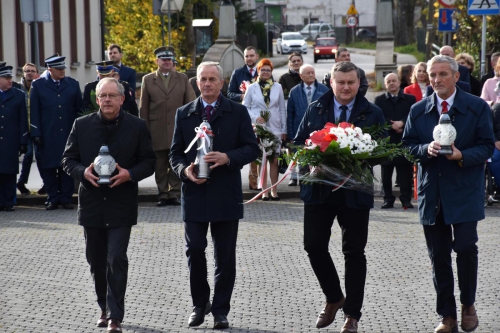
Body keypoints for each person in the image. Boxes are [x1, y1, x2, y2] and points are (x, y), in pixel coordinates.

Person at [402, 55, 494, 333]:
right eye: (432, 75)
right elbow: (407, 146)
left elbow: (487, 147)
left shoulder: (477, 107)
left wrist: (461, 155)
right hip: (434, 194)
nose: (437, 80)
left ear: (456, 77)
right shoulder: (418, 110)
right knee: (438, 256)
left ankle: (468, 305)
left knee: (465, 248)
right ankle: (447, 316)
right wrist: (423, 150)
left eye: (443, 74)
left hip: (466, 190)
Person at [294, 61, 386, 333]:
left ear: (359, 83)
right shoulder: (316, 108)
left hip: (355, 193)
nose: (346, 87)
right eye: (341, 82)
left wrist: (362, 151)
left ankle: (352, 315)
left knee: (354, 253)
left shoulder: (373, 112)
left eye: (351, 82)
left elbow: (385, 150)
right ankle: (334, 297)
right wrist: (310, 158)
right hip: (319, 191)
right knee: (313, 245)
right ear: (331, 83)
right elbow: (300, 143)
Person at [169, 61, 259, 329]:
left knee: (225, 256)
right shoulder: (184, 113)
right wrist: (185, 171)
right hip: (195, 193)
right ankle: (200, 304)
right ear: (196, 83)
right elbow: (174, 154)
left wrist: (228, 157)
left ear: (221, 83)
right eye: (202, 79)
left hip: (225, 194)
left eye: (212, 79)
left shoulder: (237, 112)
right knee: (194, 249)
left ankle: (220, 309)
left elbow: (251, 149)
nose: (207, 84)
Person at [62, 77, 156, 333]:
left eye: (111, 96)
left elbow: (149, 162)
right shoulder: (81, 125)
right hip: (91, 203)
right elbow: (68, 160)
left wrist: (129, 174)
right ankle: (103, 307)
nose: (106, 100)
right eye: (102, 96)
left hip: (121, 203)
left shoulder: (137, 127)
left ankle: (115, 316)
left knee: (116, 258)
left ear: (122, 99)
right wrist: (83, 173)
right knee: (95, 260)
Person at [139, 46, 196, 207]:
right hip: (157, 128)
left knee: (176, 161)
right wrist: (145, 130)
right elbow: (144, 108)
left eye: (169, 60)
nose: (167, 62)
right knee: (160, 163)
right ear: (157, 61)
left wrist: (190, 127)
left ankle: (175, 193)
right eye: (163, 60)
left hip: (178, 128)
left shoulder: (182, 78)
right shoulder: (148, 79)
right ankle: (163, 194)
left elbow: (190, 103)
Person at [30, 54, 82, 210]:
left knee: (67, 167)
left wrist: (79, 132)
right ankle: (52, 198)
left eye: (63, 68)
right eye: (59, 69)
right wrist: (36, 133)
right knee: (48, 167)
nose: (62, 71)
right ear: (50, 69)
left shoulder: (72, 85)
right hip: (47, 133)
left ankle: (65, 198)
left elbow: (79, 111)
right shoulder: (38, 85)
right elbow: (34, 112)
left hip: (68, 133)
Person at [243, 59, 286, 201]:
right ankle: (264, 190)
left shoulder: (278, 87)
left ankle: (274, 189)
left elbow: (281, 109)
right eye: (263, 70)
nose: (266, 72)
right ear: (258, 71)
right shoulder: (252, 88)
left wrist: (284, 129)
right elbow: (245, 107)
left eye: (268, 70)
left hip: (275, 127)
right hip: (259, 128)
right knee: (262, 159)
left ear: (271, 72)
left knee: (274, 160)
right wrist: (255, 118)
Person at [375, 73, 416, 209]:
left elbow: (412, 114)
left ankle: (405, 199)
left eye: (394, 81)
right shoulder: (379, 100)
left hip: (404, 138)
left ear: (399, 82)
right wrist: (392, 124)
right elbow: (378, 116)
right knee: (386, 173)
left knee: (405, 172)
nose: (392, 83)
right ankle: (388, 199)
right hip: (387, 139)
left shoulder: (410, 99)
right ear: (385, 85)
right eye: (388, 81)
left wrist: (402, 123)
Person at [286, 64, 328, 186]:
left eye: (312, 72)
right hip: (301, 131)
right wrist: (291, 135)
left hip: (319, 133)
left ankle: (319, 187)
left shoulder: (324, 89)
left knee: (319, 162)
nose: (311, 75)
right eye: (308, 73)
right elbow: (290, 114)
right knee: (303, 161)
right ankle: (305, 189)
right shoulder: (294, 92)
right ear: (301, 76)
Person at [228, 46, 260, 191]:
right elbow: (229, 93)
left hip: (257, 116)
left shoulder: (263, 72)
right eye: (246, 56)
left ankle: (254, 181)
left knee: (255, 146)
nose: (249, 59)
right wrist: (243, 96)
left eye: (251, 56)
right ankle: (233, 181)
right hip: (240, 115)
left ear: (257, 56)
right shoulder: (238, 73)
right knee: (238, 147)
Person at [0, 62, 28, 211]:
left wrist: (23, 141)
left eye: (10, 77)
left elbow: (23, 120)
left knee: (10, 173)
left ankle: (9, 201)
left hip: (11, 140)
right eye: (5, 77)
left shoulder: (18, 95)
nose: (10, 80)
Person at [16, 62, 44, 195]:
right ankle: (21, 182)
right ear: (23, 73)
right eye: (27, 71)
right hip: (23, 129)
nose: (30, 73)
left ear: (37, 73)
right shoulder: (17, 88)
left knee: (40, 156)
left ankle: (46, 183)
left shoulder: (40, 87)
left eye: (33, 71)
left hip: (37, 128)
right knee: (27, 155)